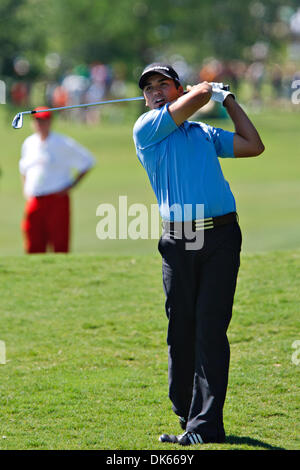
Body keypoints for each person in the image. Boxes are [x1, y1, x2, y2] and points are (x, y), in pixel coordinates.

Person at [133, 63, 264, 446]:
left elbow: (253, 145)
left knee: (211, 330)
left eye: (164, 84)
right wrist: (206, 89)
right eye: (149, 87)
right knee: (181, 331)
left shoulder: (203, 132)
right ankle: (186, 411)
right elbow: (201, 96)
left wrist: (230, 100)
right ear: (145, 98)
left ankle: (205, 426)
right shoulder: (146, 129)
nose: (156, 91)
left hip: (223, 236)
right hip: (180, 240)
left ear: (177, 88)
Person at [19, 106, 95, 253]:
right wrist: (25, 188)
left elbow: (88, 161)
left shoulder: (62, 143)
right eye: (37, 121)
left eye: (44, 121)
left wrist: (72, 185)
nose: (40, 124)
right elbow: (23, 168)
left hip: (57, 198)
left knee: (59, 243)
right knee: (33, 243)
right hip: (35, 199)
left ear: (50, 122)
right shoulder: (29, 143)